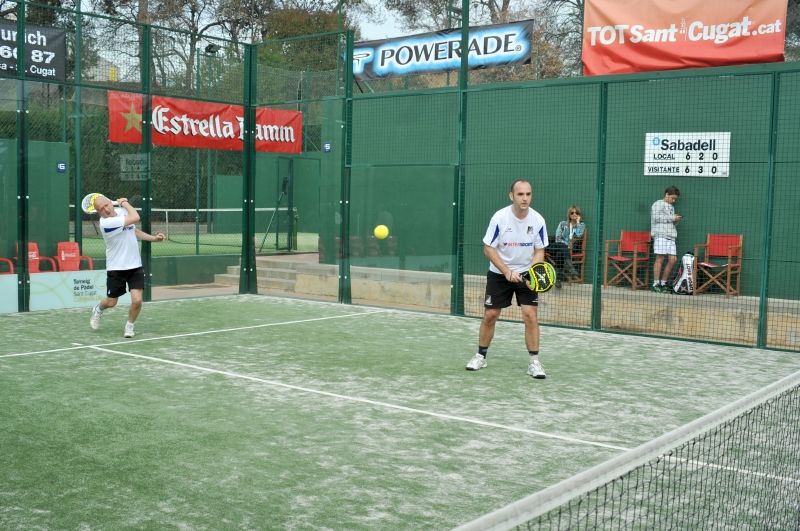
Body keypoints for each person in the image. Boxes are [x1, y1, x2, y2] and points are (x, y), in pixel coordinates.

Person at [465, 179, 549, 379]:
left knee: (530, 315)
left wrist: (533, 274)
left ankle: (534, 363)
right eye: (520, 194)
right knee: (490, 315)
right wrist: (506, 271)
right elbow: (488, 248)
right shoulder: (499, 218)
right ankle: (481, 356)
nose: (525, 198)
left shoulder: (538, 220)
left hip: (526, 274)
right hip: (499, 273)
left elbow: (539, 249)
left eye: (528, 194)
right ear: (512, 196)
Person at [89, 196, 165, 337]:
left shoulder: (122, 212)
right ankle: (98, 309)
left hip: (135, 266)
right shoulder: (106, 223)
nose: (106, 209)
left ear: (110, 203)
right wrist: (124, 202)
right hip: (116, 268)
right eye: (101, 209)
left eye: (107, 205)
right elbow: (135, 217)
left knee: (137, 300)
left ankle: (129, 326)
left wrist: (153, 238)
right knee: (111, 302)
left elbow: (133, 230)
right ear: (98, 212)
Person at [650, 185, 682, 293]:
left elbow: (668, 221)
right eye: (672, 198)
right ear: (666, 194)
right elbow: (656, 217)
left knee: (673, 260)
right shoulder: (658, 203)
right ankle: (656, 284)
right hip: (660, 235)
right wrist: (672, 218)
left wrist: (675, 221)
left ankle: (663, 283)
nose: (673, 200)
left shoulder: (671, 207)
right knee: (660, 258)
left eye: (675, 199)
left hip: (671, 236)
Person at [548, 205, 585, 287]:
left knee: (559, 254)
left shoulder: (581, 225)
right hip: (558, 246)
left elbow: (579, 236)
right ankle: (570, 267)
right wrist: (566, 245)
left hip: (571, 249)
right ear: (569, 215)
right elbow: (557, 238)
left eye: (576, 213)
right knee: (562, 247)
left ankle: (558, 279)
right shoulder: (562, 224)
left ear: (579, 215)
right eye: (572, 213)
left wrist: (578, 223)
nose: (574, 214)